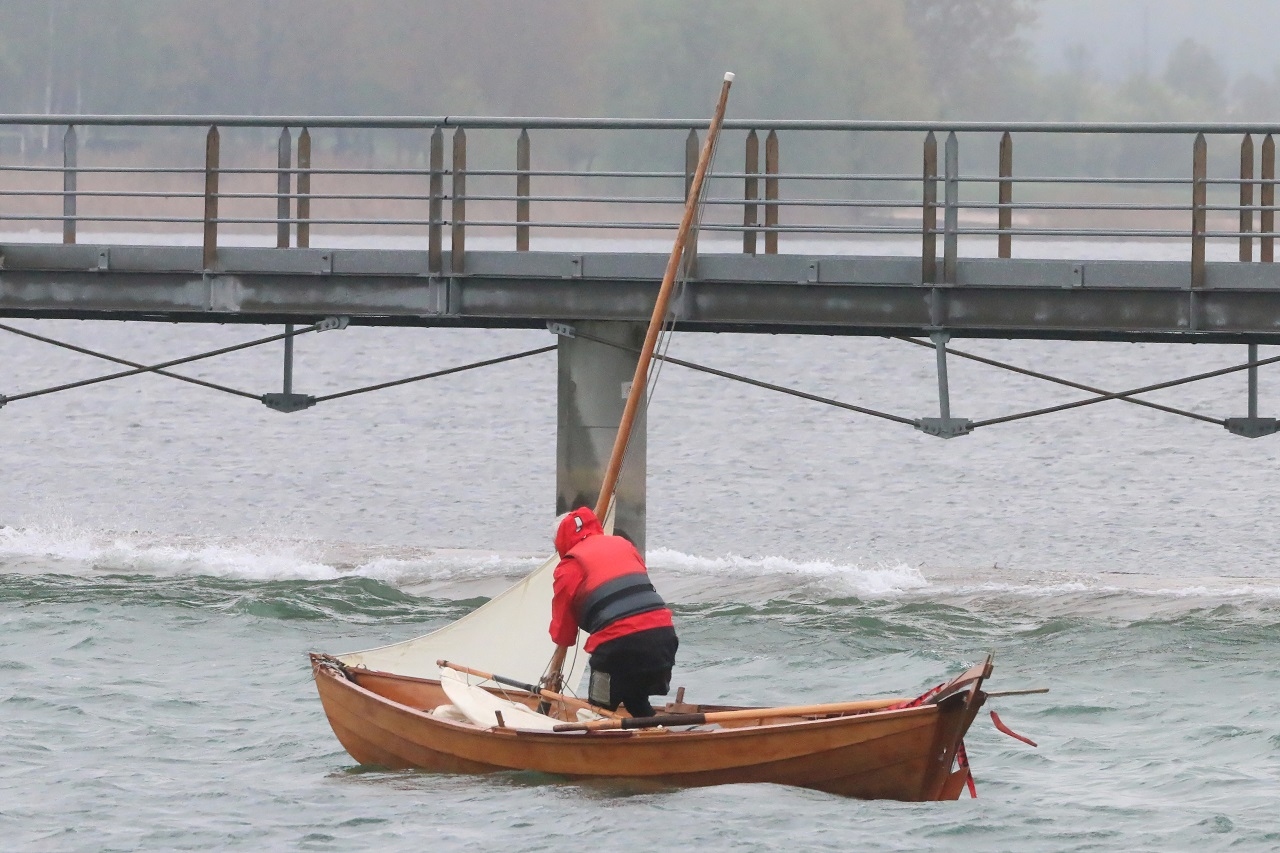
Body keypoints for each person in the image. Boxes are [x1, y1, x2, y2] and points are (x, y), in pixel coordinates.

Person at [544, 506, 678, 717]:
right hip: (664, 638)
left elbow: (563, 631)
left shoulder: (570, 565)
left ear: (560, 540)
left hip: (617, 647)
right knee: (636, 700)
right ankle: (655, 731)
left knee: (598, 712)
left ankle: (592, 742)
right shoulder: (623, 544)